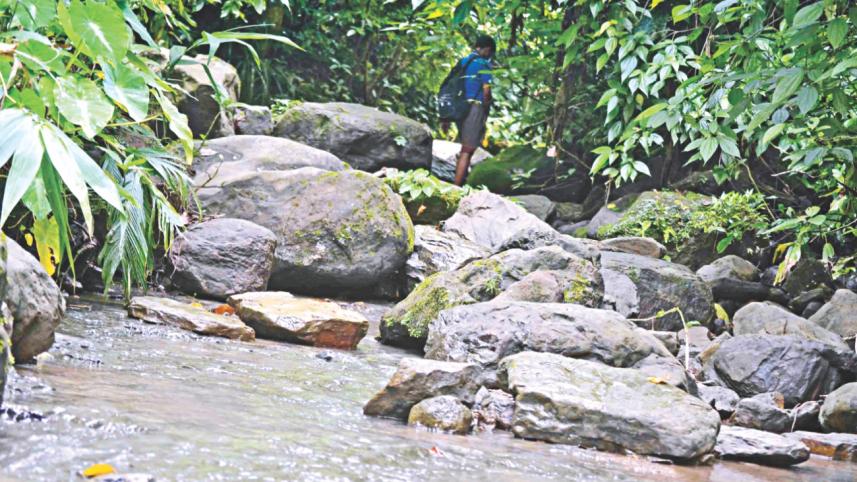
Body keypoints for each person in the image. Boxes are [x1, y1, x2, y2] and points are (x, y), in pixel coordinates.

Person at [442, 35, 495, 186]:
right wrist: (487, 106)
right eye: (490, 53)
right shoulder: (483, 64)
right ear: (487, 49)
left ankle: (460, 177)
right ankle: (456, 188)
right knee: (468, 149)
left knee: (465, 144)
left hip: (458, 106)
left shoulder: (463, 61)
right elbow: (486, 92)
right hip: (474, 107)